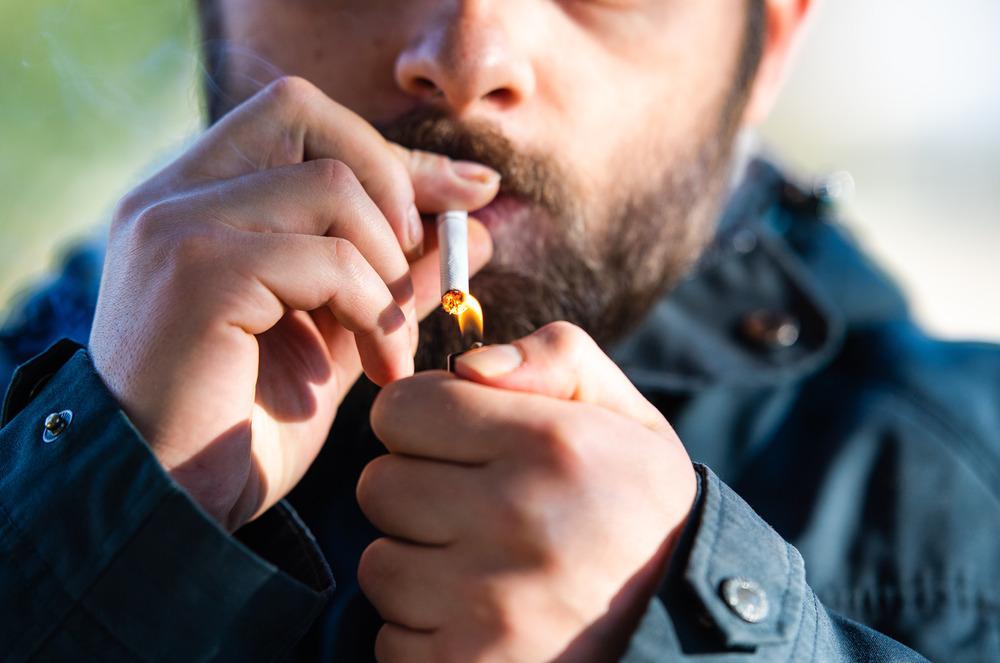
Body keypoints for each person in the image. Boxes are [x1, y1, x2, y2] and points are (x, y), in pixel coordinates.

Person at [0, 0, 996, 660]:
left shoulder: (967, 495)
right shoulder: (28, 401)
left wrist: (686, 626)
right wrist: (108, 502)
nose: (467, 60)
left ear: (765, 45)